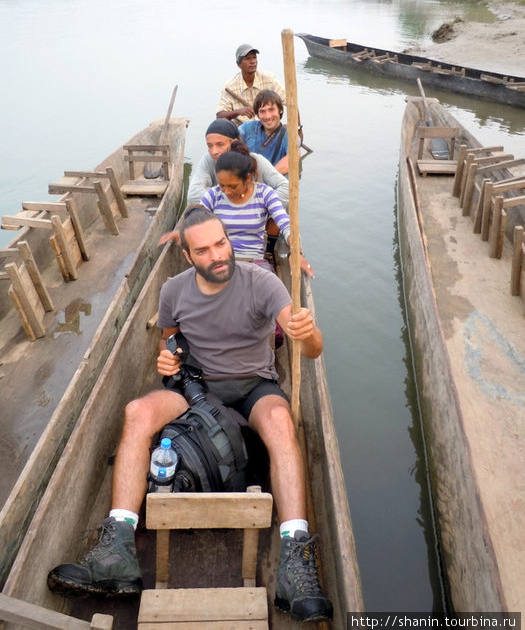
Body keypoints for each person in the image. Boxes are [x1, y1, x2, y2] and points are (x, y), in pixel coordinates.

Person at [47, 208, 333, 623]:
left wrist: (308, 334)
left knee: (281, 424)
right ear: (187, 255)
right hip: (197, 387)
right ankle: (118, 547)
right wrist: (167, 361)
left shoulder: (263, 282)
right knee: (136, 412)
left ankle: (295, 556)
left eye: (222, 243)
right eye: (204, 249)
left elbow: (312, 349)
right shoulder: (173, 291)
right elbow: (169, 344)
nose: (218, 255)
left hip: (254, 386)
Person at [201, 140, 314, 278]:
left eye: (233, 186)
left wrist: (296, 253)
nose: (226, 191)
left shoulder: (264, 194)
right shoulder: (213, 195)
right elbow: (196, 223)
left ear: (247, 179)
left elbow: (286, 224)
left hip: (254, 263)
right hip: (221, 260)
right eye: (222, 185)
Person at [186, 118, 289, 207]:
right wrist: (232, 204)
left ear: (234, 142)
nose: (214, 151)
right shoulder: (208, 160)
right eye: (209, 146)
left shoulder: (256, 160)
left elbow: (286, 189)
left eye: (220, 144)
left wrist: (257, 205)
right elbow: (193, 194)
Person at [216, 44, 286, 126]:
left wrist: (298, 128)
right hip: (242, 132)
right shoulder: (230, 86)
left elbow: (291, 103)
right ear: (239, 64)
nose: (252, 61)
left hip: (268, 127)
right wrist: (239, 112)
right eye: (247, 58)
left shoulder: (269, 79)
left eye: (254, 57)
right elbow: (220, 116)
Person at [239, 89, 295, 175]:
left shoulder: (289, 135)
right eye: (262, 111)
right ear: (257, 114)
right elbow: (231, 139)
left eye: (271, 110)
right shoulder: (248, 128)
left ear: (280, 110)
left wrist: (265, 179)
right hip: (249, 182)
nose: (267, 116)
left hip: (274, 185)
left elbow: (293, 157)